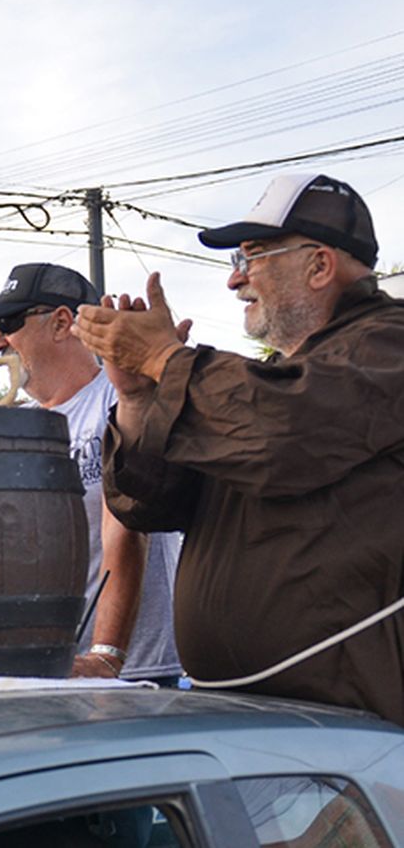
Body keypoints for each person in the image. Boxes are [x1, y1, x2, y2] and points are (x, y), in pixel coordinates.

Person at [72, 173, 404, 725]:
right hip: (256, 719)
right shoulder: (270, 380)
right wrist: (136, 397)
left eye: (253, 257)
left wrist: (165, 359)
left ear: (320, 266)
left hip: (350, 725)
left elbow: (284, 434)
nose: (235, 280)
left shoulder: (388, 344)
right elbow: (152, 506)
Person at [0, 263, 182, 684]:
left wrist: (106, 657)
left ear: (62, 323)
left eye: (8, 324)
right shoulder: (19, 427)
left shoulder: (119, 400)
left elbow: (128, 528)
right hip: (54, 668)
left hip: (134, 671)